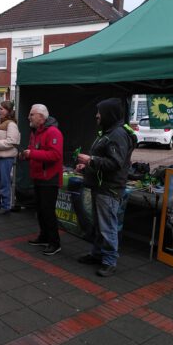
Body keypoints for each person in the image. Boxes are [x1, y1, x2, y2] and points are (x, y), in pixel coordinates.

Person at [76, 98, 136, 277]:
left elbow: (115, 163)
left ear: (108, 114)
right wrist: (87, 166)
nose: (96, 115)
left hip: (109, 189)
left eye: (99, 112)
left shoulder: (117, 134)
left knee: (107, 226)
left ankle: (110, 261)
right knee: (99, 224)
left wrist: (90, 160)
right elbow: (105, 160)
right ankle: (97, 254)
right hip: (100, 186)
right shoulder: (108, 132)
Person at [23, 104, 63, 256]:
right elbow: (34, 150)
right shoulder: (35, 131)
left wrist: (31, 153)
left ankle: (55, 242)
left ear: (41, 117)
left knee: (48, 211)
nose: (29, 117)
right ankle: (44, 236)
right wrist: (26, 155)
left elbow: (55, 156)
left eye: (32, 114)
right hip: (38, 176)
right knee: (40, 210)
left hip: (49, 178)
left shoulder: (53, 132)